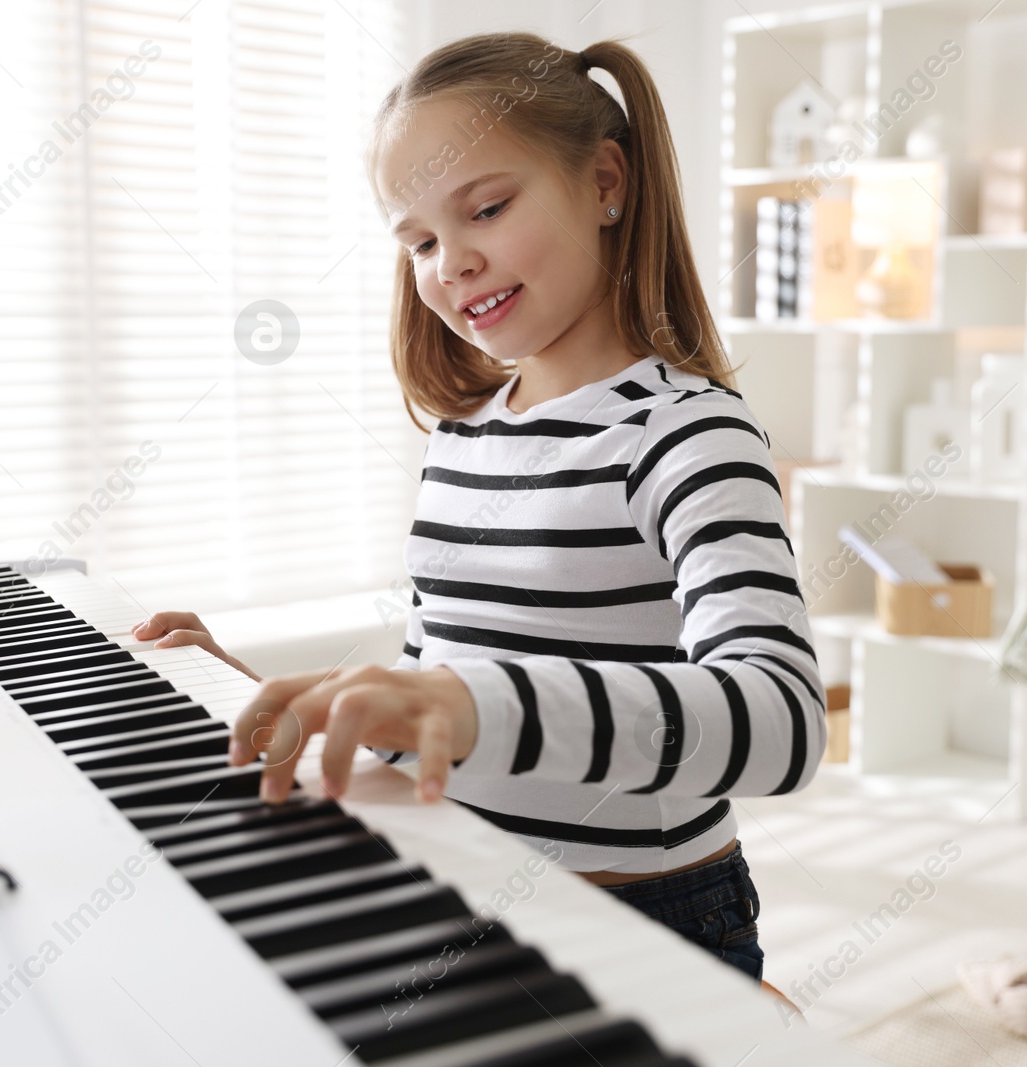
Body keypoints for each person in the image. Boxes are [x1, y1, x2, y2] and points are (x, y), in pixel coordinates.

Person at [134, 32, 826, 985]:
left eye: (487, 210)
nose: (450, 263)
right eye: (417, 240)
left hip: (642, 914)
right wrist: (288, 703)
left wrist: (467, 704)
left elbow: (783, 719)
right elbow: (443, 688)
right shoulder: (465, 431)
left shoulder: (685, 433)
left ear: (606, 182)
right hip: (472, 880)